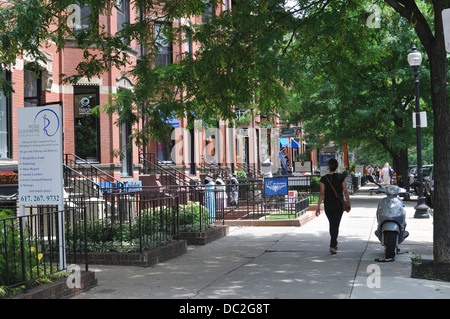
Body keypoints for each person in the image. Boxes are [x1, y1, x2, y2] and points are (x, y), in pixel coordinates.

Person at [315, 159, 352, 254]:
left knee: (332, 224)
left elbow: (322, 193)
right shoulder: (341, 177)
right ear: (336, 166)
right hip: (338, 205)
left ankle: (334, 244)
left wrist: (318, 206)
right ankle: (332, 245)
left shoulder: (323, 179)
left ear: (328, 166)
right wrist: (349, 202)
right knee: (335, 224)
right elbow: (345, 191)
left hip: (328, 204)